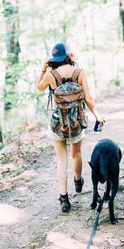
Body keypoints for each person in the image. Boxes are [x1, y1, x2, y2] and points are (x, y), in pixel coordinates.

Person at [37, 42, 104, 212]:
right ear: (69, 55)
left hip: (58, 123)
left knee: (61, 160)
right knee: (77, 153)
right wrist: (97, 115)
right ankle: (78, 180)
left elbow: (39, 88)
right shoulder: (80, 72)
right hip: (76, 123)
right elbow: (88, 98)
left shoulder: (51, 74)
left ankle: (64, 199)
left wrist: (43, 68)